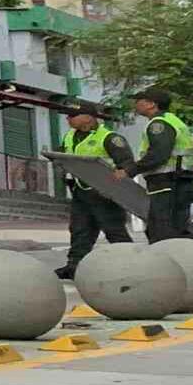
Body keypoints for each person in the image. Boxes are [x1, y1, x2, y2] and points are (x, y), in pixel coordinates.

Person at [54, 101, 134, 278]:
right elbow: (62, 155)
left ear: (88, 117)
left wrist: (115, 189)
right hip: (80, 191)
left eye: (72, 116)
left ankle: (131, 264)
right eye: (67, 116)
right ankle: (74, 266)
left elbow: (127, 165)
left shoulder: (110, 138)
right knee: (79, 229)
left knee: (114, 230)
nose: (68, 119)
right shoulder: (70, 135)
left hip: (104, 193)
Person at [122, 88, 193, 242]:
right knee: (173, 228)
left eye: (139, 101)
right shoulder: (172, 120)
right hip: (181, 181)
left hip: (170, 182)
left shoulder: (159, 124)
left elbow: (158, 154)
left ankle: (174, 262)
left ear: (152, 104)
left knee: (163, 231)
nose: (135, 104)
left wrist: (130, 170)